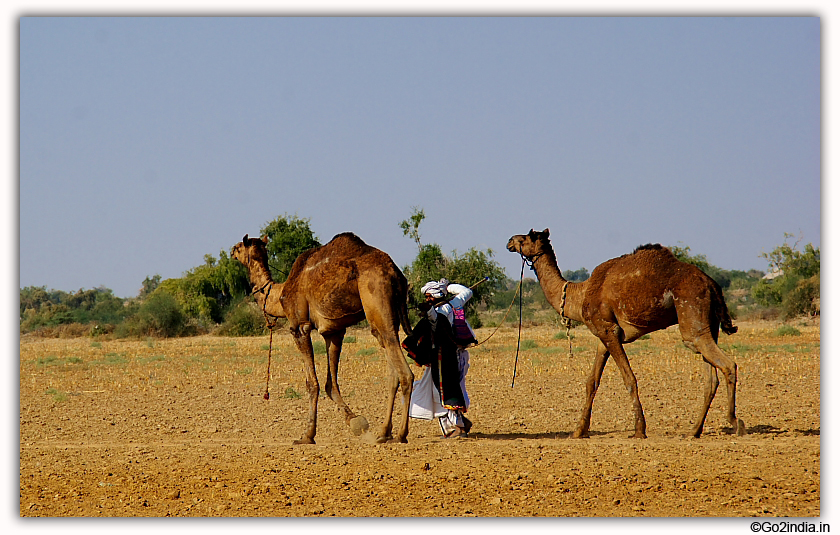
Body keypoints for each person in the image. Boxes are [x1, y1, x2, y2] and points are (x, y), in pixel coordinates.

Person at [408, 278, 475, 439]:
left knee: (447, 392)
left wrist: (428, 311)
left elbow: (435, 321)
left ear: (436, 295)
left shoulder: (440, 311)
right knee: (440, 391)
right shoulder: (456, 303)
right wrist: (449, 287)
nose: (427, 299)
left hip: (445, 358)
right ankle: (456, 425)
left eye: (429, 296)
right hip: (454, 356)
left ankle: (458, 427)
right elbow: (467, 292)